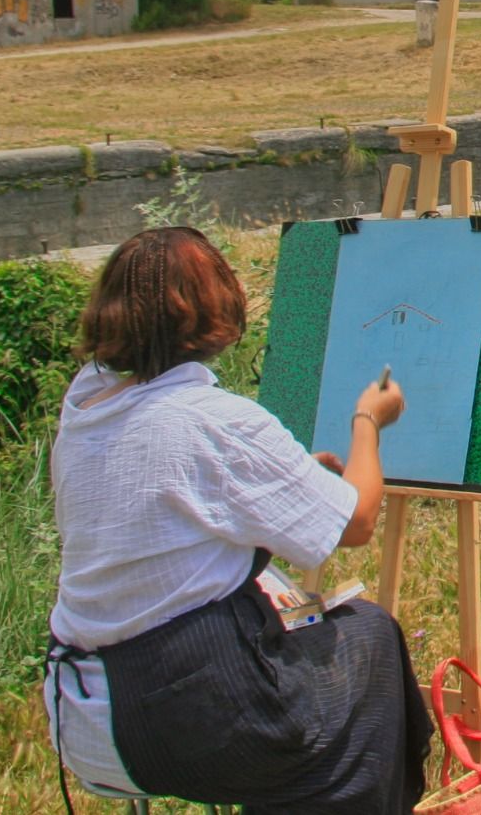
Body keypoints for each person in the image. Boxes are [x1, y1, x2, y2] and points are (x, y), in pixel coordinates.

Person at [43, 226, 432, 814]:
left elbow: (171, 499)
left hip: (82, 715)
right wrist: (368, 423)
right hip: (174, 724)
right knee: (368, 636)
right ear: (214, 311)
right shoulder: (213, 419)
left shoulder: (85, 405)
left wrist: (285, 478)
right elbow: (356, 522)